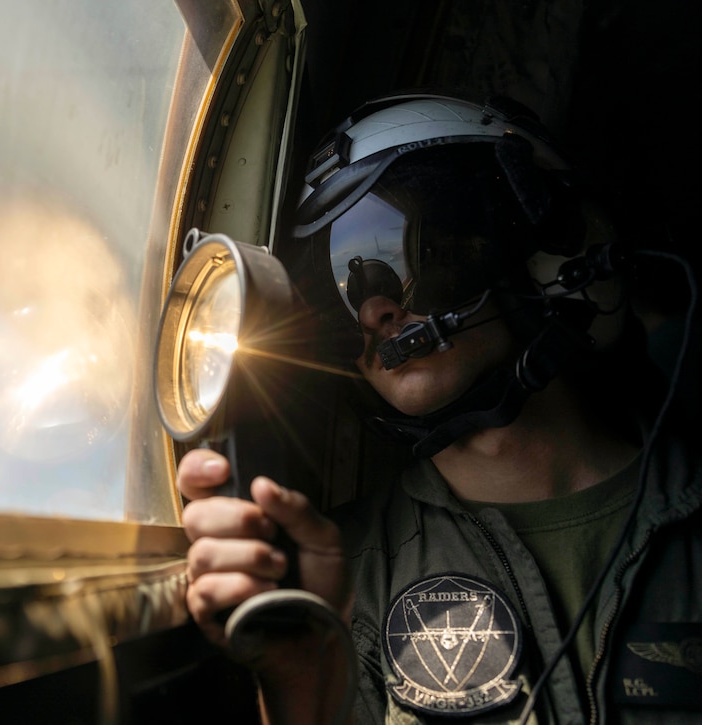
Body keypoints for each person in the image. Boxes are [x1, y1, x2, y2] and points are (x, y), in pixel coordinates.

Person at [177, 91, 702, 724]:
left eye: (411, 257)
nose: (374, 310)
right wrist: (300, 682)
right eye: (333, 285)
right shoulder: (337, 579)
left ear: (543, 251)